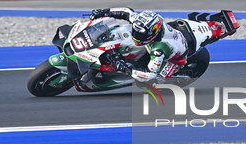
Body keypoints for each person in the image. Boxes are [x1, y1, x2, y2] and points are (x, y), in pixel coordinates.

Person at [89, 7, 225, 86]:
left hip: (175, 58)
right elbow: (126, 12)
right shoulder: (145, 24)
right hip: (173, 35)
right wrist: (104, 12)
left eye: (141, 34)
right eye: (136, 31)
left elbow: (149, 75)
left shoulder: (159, 50)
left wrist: (126, 68)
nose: (137, 35)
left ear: (152, 34)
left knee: (149, 84)